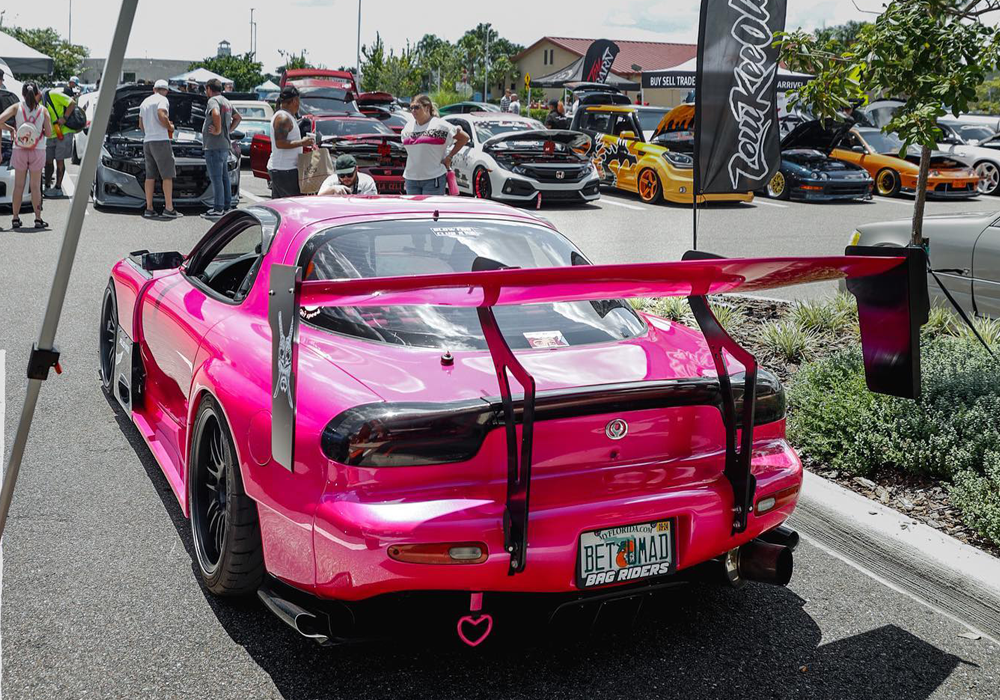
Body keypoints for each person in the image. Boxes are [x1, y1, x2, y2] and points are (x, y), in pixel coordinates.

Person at [0, 82, 52, 229]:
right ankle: (37, 219)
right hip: (38, 150)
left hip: (19, 149)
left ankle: (15, 219)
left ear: (23, 94)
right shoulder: (43, 110)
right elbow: (49, 133)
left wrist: (11, 129)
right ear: (37, 94)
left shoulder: (17, 107)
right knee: (35, 186)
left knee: (18, 186)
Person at [400, 94, 469, 195]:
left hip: (433, 179)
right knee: (414, 210)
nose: (413, 110)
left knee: (430, 210)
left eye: (417, 107)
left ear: (427, 107)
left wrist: (449, 157)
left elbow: (464, 138)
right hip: (411, 179)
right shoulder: (408, 127)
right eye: (411, 108)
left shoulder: (440, 125)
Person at [138, 79, 182, 218]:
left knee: (150, 176)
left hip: (148, 141)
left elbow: (140, 125)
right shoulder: (162, 100)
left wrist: (150, 131)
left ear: (154, 89)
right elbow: (162, 114)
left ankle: (149, 208)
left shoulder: (144, 102)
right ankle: (169, 208)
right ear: (166, 91)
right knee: (167, 175)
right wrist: (170, 127)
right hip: (161, 140)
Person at [201, 78, 241, 219]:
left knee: (216, 178)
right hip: (224, 145)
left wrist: (218, 130)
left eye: (206, 90)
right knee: (224, 178)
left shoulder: (213, 101)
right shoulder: (226, 101)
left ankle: (218, 208)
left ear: (209, 89)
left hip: (214, 146)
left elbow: (216, 113)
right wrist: (227, 130)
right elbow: (238, 117)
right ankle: (226, 205)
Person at [268, 85, 314, 198]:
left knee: (281, 206)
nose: (299, 105)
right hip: (284, 170)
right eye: (298, 101)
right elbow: (280, 143)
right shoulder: (283, 118)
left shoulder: (285, 116)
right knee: (291, 206)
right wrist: (302, 142)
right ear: (294, 100)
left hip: (284, 169)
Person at [41, 87, 77, 197]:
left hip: (63, 132)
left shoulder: (53, 94)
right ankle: (47, 186)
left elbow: (72, 102)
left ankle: (58, 188)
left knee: (59, 161)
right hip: (51, 133)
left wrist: (64, 118)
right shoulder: (38, 101)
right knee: (48, 161)